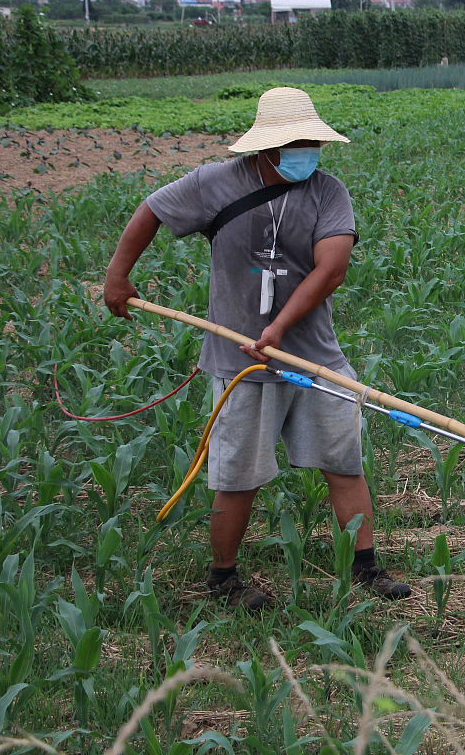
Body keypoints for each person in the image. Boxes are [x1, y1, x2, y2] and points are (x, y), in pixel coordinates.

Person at [104, 87, 411, 609]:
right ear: (267, 146)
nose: (308, 151)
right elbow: (151, 210)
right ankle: (224, 579)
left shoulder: (328, 192)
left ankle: (367, 569)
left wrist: (280, 327)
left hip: (315, 356)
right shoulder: (214, 184)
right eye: (298, 142)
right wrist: (117, 276)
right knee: (238, 477)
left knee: (344, 462)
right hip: (239, 360)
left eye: (313, 142)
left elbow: (331, 268)